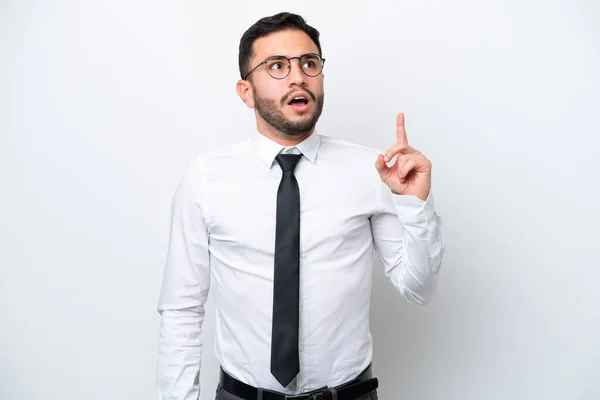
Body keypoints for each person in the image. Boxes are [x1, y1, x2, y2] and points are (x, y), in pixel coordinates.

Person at [157, 11, 445, 400]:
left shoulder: (371, 169)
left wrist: (415, 205)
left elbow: (419, 289)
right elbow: (181, 309)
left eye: (309, 64)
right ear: (246, 91)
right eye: (277, 66)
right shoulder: (206, 179)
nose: (298, 77)